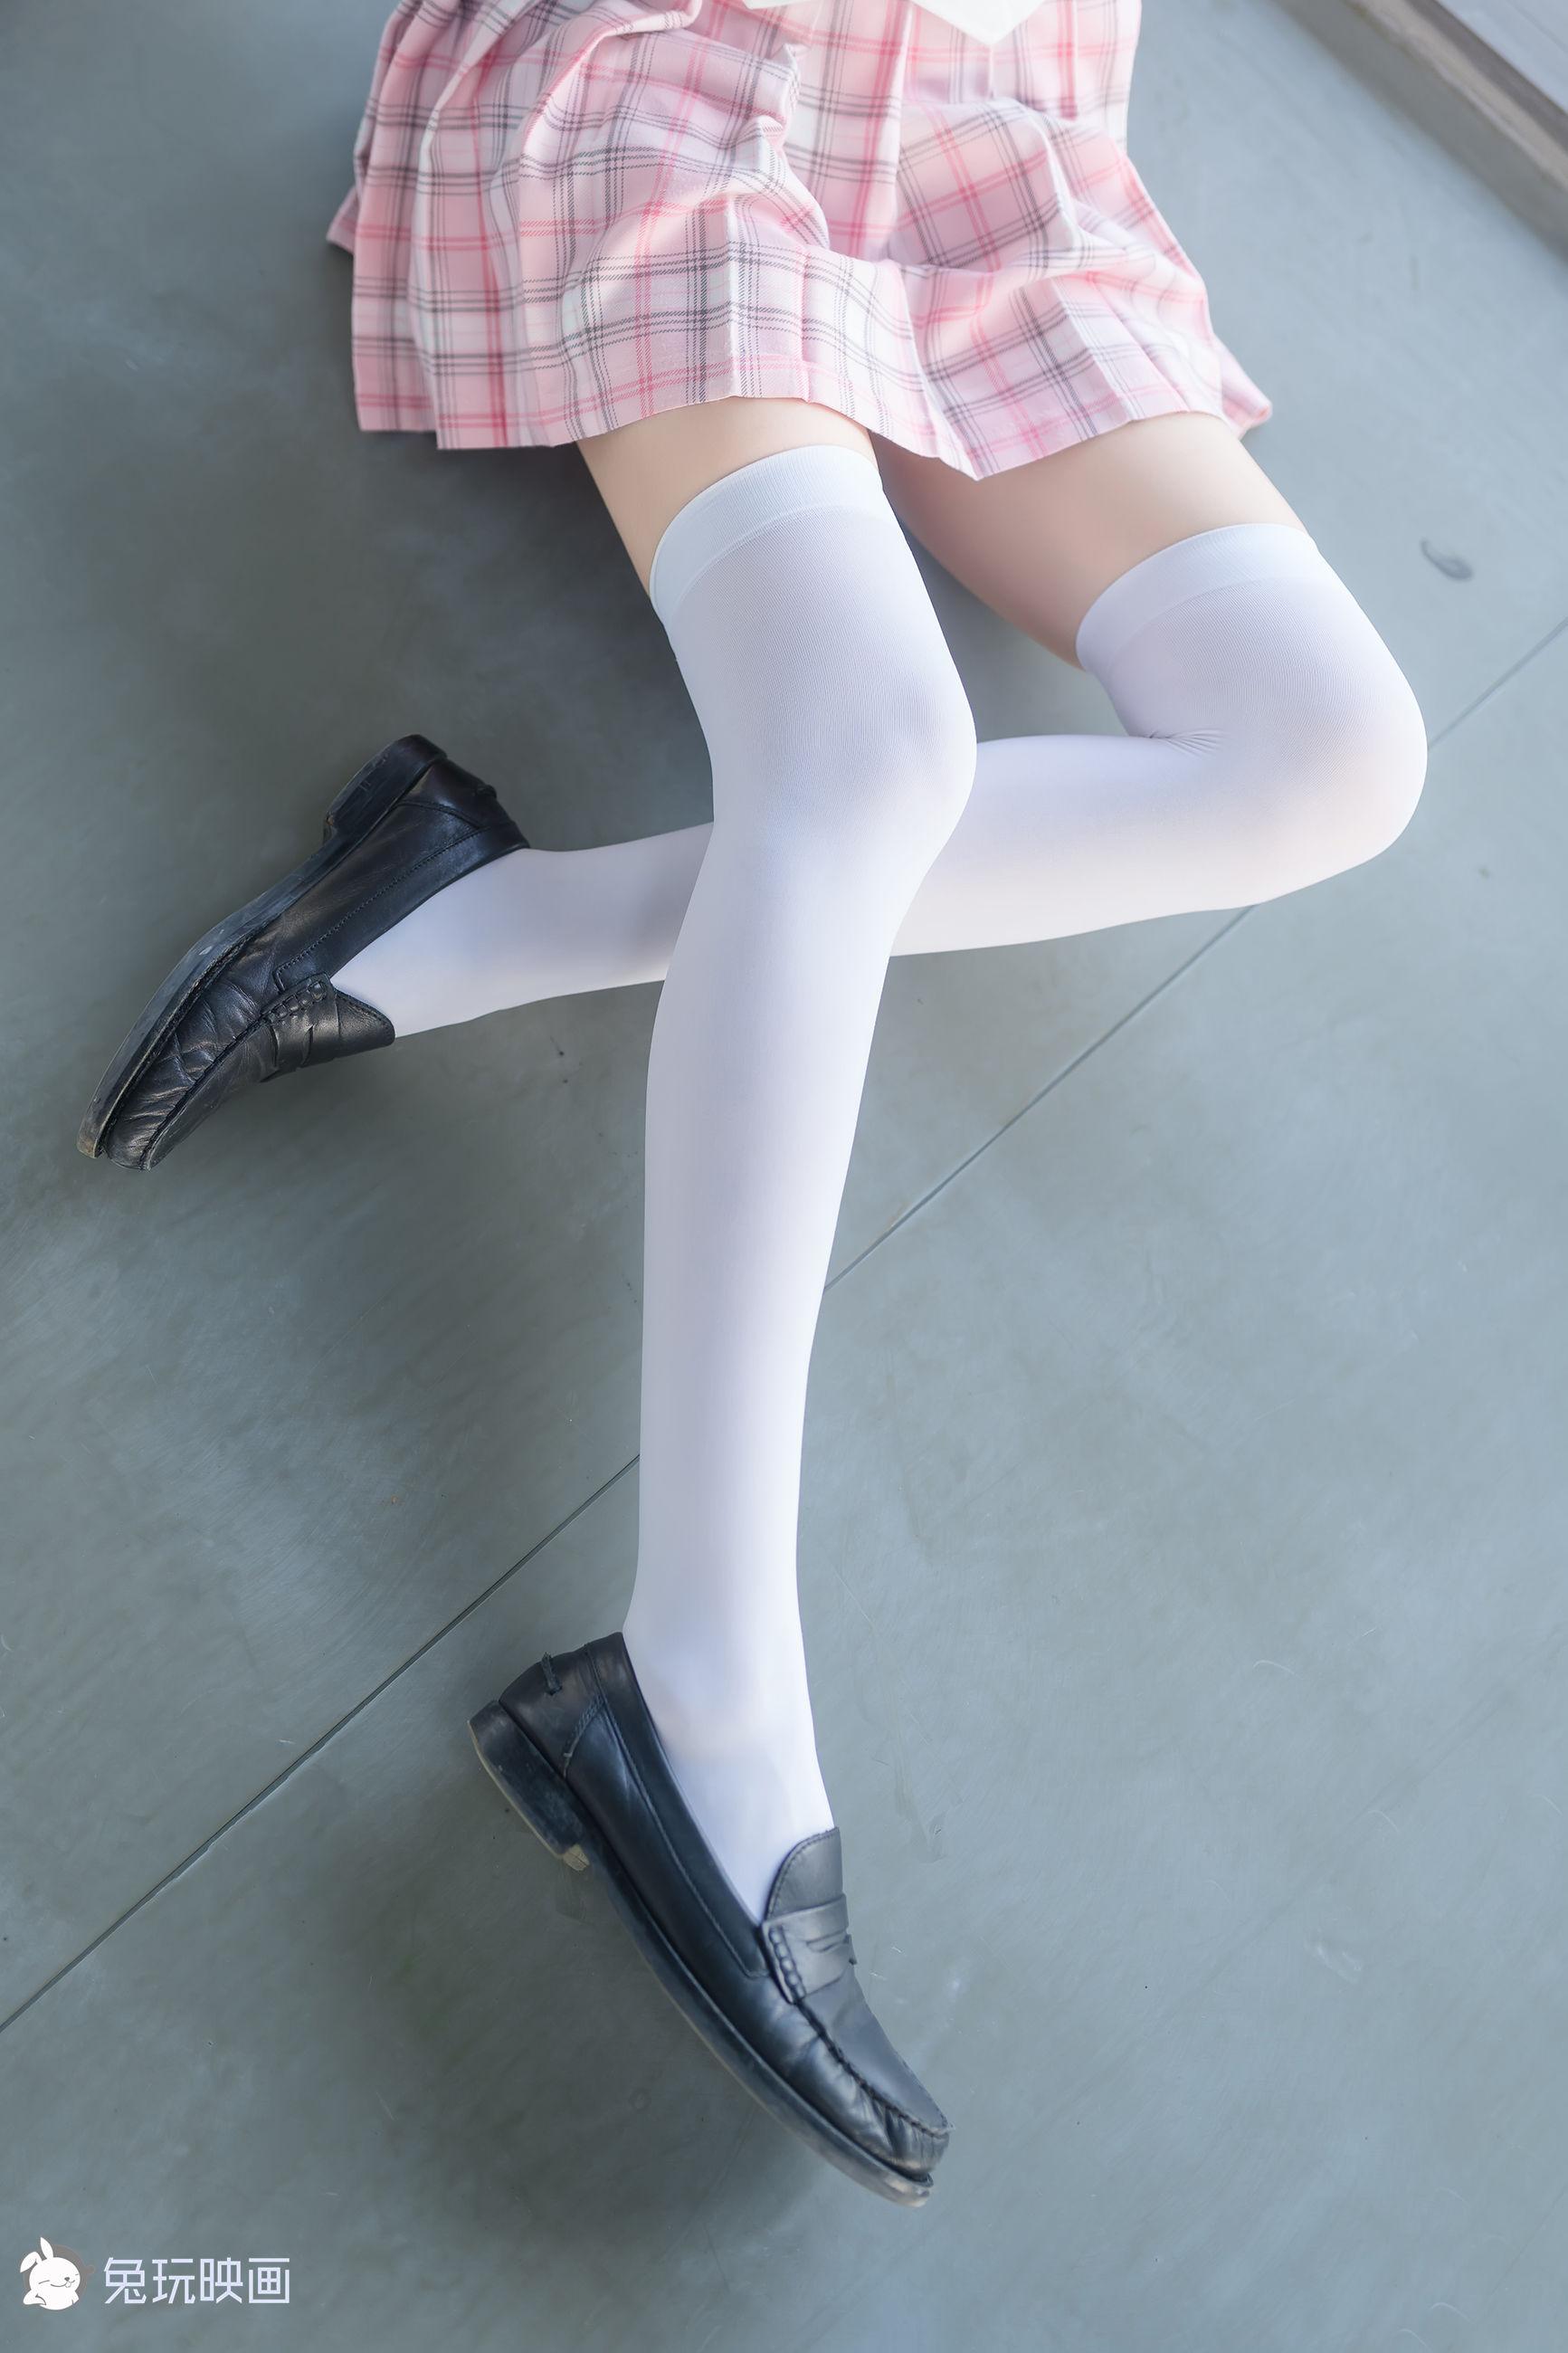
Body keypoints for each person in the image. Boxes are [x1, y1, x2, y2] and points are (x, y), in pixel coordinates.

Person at [77, 0, 1429, 2204]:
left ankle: (471, 916)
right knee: (865, 749)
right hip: (678, 78)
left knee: (1336, 755)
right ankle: (701, 1680)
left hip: (992, 139)